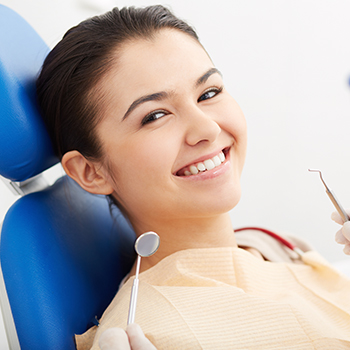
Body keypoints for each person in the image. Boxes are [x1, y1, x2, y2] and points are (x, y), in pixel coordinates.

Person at [36, 5, 350, 349]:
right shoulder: (151, 334)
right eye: (155, 115)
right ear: (91, 171)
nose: (208, 128)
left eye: (209, 93)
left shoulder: (271, 246)